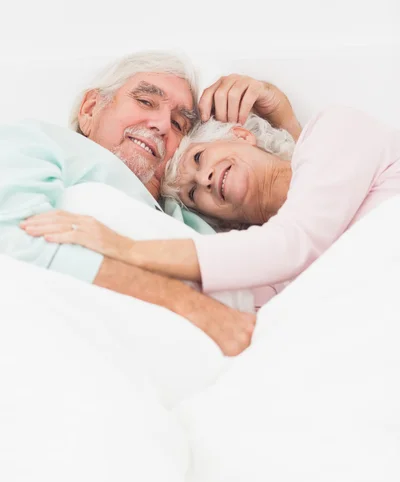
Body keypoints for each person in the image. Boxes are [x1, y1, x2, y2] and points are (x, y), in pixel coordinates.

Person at [2, 58, 297, 355]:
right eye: (145, 101)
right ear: (90, 109)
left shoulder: (197, 209)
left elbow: (306, 234)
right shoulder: (38, 141)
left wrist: (283, 119)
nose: (160, 125)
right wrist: (191, 306)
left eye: (179, 124)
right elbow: (12, 237)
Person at [25, 82, 400, 309]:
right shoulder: (262, 271)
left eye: (200, 158)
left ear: (239, 135)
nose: (203, 179)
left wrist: (125, 247)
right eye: (191, 192)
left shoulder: (337, 129)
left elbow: (296, 238)